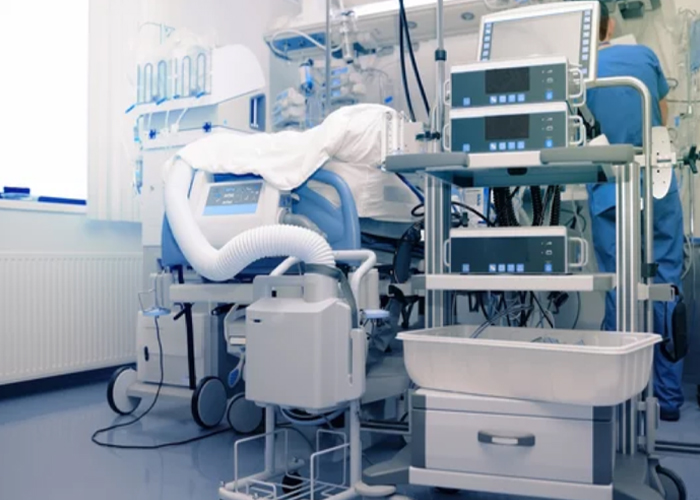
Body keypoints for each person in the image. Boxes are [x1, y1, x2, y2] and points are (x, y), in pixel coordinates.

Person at [586, 1, 685, 421]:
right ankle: (669, 398)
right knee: (665, 284)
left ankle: (621, 391)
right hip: (656, 181)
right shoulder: (643, 56)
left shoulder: (577, 73)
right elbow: (661, 114)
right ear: (610, 25)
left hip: (609, 187)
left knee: (618, 287)